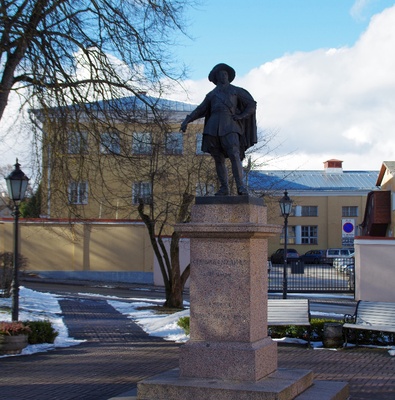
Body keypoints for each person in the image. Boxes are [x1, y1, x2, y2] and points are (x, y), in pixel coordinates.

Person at [180, 63, 257, 196]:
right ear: (216, 77)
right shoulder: (211, 94)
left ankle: (241, 187)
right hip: (213, 127)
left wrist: (240, 116)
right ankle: (224, 188)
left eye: (225, 74)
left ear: (228, 76)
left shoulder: (236, 91)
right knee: (218, 158)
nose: (223, 76)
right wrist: (187, 120)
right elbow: (200, 109)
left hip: (230, 125)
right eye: (220, 74)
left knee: (234, 154)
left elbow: (251, 104)